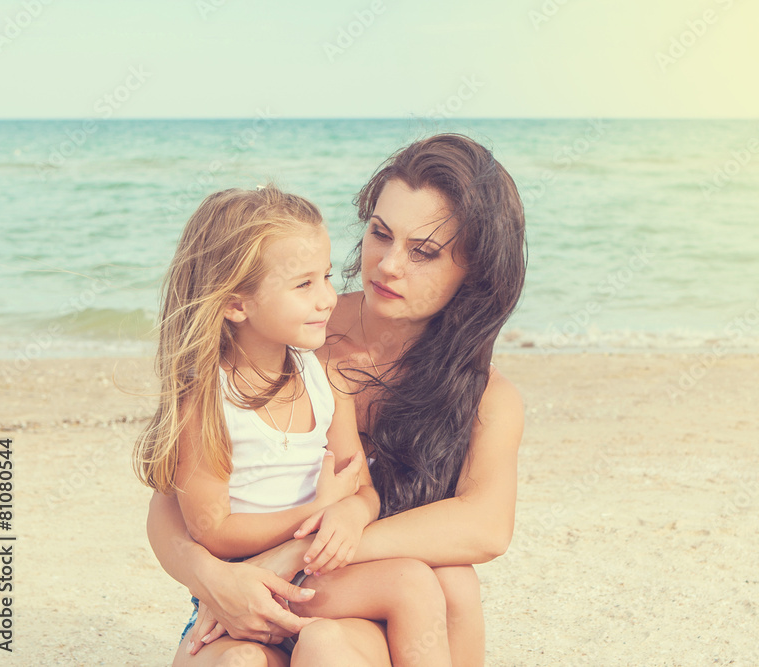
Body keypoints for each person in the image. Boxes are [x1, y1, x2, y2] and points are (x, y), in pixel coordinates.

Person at [147, 133, 527, 666]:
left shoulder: (483, 397)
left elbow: (485, 528)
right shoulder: (296, 336)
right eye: (379, 233)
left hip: (367, 607)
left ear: (476, 272)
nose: (388, 265)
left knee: (451, 583)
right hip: (258, 596)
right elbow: (175, 495)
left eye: (423, 252)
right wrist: (209, 576)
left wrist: (298, 550)